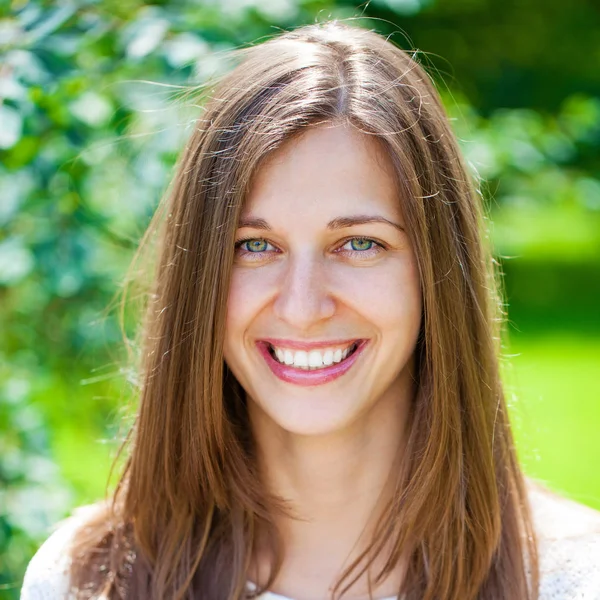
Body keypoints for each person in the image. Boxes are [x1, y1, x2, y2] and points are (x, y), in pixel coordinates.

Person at [20, 21, 600, 600]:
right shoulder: (83, 583)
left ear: (435, 273)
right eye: (254, 246)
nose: (302, 308)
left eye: (359, 244)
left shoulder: (572, 581)